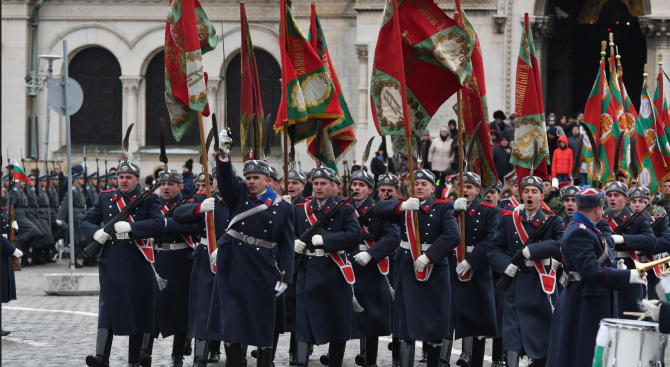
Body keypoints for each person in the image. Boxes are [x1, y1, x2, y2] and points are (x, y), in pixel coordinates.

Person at [211, 131, 295, 367]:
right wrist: (224, 155)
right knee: (232, 320)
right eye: (248, 177)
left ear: (267, 180)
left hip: (262, 266)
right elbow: (226, 180)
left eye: (256, 177)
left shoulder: (283, 207)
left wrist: (286, 277)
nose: (250, 181)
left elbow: (288, 244)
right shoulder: (238, 196)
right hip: (233, 263)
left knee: (262, 320)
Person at [81, 161, 166, 367]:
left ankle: (134, 360)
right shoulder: (105, 198)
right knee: (107, 307)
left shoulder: (149, 200)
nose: (124, 181)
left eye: (128, 177)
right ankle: (101, 357)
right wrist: (96, 232)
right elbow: (86, 221)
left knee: (138, 310)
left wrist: (132, 227)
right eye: (121, 177)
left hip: (138, 262)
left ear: (137, 179)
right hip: (112, 261)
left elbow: (158, 225)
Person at [547, 188, 644, 367]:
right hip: (584, 302)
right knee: (583, 354)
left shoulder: (587, 227)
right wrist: (627, 276)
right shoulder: (580, 231)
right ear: (598, 208)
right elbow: (590, 271)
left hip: (591, 299)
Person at [376, 168, 460, 367]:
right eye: (416, 184)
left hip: (435, 269)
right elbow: (378, 211)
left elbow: (453, 235)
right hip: (407, 268)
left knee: (435, 320)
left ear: (433, 188)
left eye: (424, 184)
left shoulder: (442, 208)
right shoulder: (405, 206)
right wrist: (401, 206)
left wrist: (430, 256)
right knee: (405, 321)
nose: (420, 187)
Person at [487, 175, 564, 367]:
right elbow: (494, 248)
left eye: (534, 192)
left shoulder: (553, 220)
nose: (530, 195)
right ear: (521, 194)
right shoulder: (509, 219)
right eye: (526, 191)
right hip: (515, 283)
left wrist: (534, 250)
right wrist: (507, 265)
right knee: (512, 333)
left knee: (541, 336)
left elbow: (562, 244)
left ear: (541, 196)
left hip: (541, 284)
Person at [292, 166, 362, 367]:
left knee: (337, 322)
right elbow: (287, 233)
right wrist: (293, 243)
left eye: (323, 183)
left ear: (332, 186)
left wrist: (326, 241)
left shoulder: (345, 208)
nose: (319, 187)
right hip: (308, 269)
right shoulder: (300, 209)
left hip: (334, 271)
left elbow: (355, 237)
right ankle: (300, 363)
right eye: (315, 183)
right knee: (303, 322)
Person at [138, 169, 200, 367]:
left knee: (180, 309)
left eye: (171, 184)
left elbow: (194, 227)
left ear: (180, 186)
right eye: (163, 183)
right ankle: (145, 351)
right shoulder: (151, 203)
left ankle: (177, 355)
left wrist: (163, 223)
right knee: (151, 307)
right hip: (156, 259)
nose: (166, 187)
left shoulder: (188, 205)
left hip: (180, 259)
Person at [173, 168, 228, 366]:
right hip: (206, 257)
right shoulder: (202, 199)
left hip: (233, 256)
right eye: (216, 180)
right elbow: (177, 213)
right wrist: (199, 208)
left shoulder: (239, 199)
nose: (218, 184)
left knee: (230, 306)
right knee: (203, 306)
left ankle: (230, 353)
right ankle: (200, 357)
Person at [445, 173, 499, 367]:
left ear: (478, 190)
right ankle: (443, 359)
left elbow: (492, 239)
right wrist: (451, 209)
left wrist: (471, 262)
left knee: (478, 318)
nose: (465, 190)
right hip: (451, 265)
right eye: (462, 186)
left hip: (478, 268)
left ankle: (473, 359)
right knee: (448, 315)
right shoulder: (449, 209)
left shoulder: (489, 211)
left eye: (469, 187)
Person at [347, 170, 400, 367]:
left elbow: (392, 237)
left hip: (371, 267)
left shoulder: (380, 209)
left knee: (371, 316)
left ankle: (370, 360)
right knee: (343, 313)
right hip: (347, 264)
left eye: (361, 185)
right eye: (354, 184)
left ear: (370, 190)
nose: (356, 188)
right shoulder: (344, 208)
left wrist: (372, 253)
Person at [603, 181, 655, 318]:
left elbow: (651, 242)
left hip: (630, 272)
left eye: (616, 195)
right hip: (606, 271)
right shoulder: (600, 218)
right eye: (609, 195)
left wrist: (624, 240)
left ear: (625, 198)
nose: (612, 198)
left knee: (630, 315)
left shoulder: (637, 219)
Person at [629, 187, 670, 300]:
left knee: (653, 310)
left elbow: (667, 241)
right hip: (630, 271)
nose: (637, 205)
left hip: (652, 271)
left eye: (641, 201)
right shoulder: (624, 222)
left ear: (649, 202)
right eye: (633, 201)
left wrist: (643, 245)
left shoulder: (658, 220)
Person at [2, 184, 22, 336]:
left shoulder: (3, 209)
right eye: (1, 187)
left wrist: (13, 228)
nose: (4, 190)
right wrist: (12, 249)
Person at [58, 169, 88, 268]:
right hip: (75, 216)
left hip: (80, 214)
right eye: (80, 178)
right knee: (81, 236)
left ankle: (74, 260)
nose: (83, 180)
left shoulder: (78, 189)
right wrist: (60, 218)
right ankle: (79, 252)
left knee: (76, 240)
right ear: (75, 180)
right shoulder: (72, 190)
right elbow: (65, 204)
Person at [35, 174, 56, 264]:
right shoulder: (37, 191)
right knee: (45, 234)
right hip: (41, 215)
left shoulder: (43, 190)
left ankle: (42, 255)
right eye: (44, 181)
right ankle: (50, 247)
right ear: (39, 182)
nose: (46, 183)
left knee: (47, 234)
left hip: (47, 214)